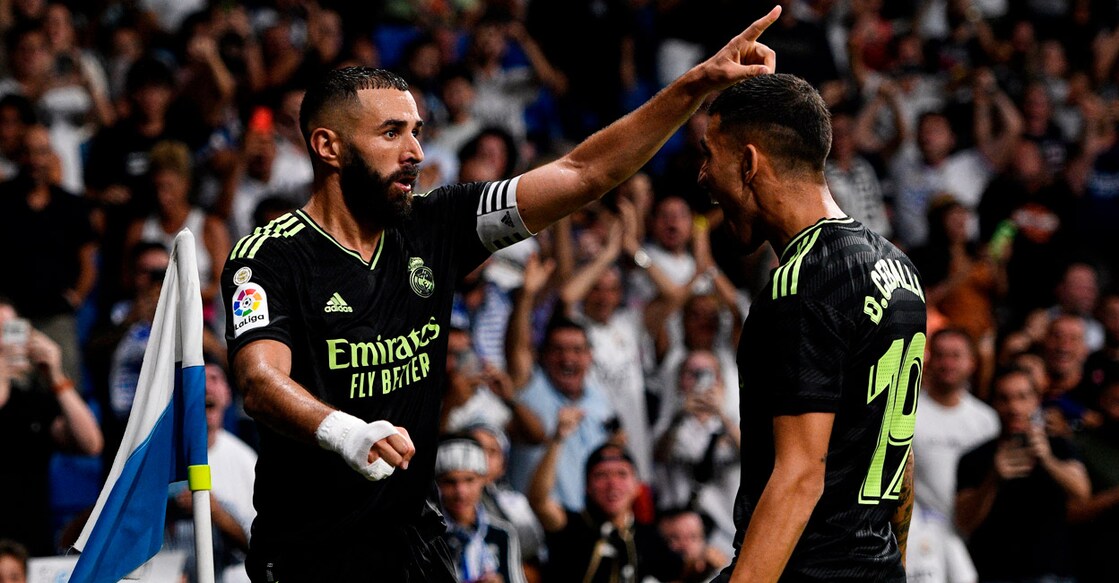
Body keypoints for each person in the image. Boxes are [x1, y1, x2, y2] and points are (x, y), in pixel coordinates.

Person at [220, 8, 783, 581]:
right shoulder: (269, 255)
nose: (415, 151)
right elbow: (262, 383)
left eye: (417, 130)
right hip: (310, 553)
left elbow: (583, 172)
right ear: (328, 147)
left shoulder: (438, 224)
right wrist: (345, 431)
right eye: (392, 133)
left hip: (413, 543)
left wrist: (698, 83)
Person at [698, 73, 927, 582]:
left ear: (749, 163)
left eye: (709, 155)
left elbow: (799, 479)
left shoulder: (802, 284)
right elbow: (898, 456)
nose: (702, 176)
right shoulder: (898, 267)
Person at [955, 369, 1090, 582]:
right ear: (994, 403)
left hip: (1052, 573)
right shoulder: (975, 457)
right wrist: (993, 478)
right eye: (1005, 398)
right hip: (993, 572)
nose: (1014, 407)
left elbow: (1082, 493)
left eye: (1022, 397)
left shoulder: (1059, 446)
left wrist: (1047, 460)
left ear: (1036, 400)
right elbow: (963, 521)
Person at [0, 298, 103, 556]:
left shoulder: (32, 404)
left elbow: (90, 443)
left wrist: (56, 375)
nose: (6, 342)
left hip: (27, 548)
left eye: (13, 330)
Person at [530, 434, 685, 583]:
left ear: (638, 486)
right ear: (587, 486)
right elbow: (539, 502)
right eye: (601, 475)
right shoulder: (570, 525)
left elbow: (681, 571)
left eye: (622, 474)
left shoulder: (648, 536)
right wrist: (557, 439)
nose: (612, 484)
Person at [435, 437, 528, 583]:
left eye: (469, 480)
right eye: (450, 482)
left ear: (484, 480)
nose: (461, 491)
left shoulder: (502, 534)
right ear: (437, 484)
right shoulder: (429, 535)